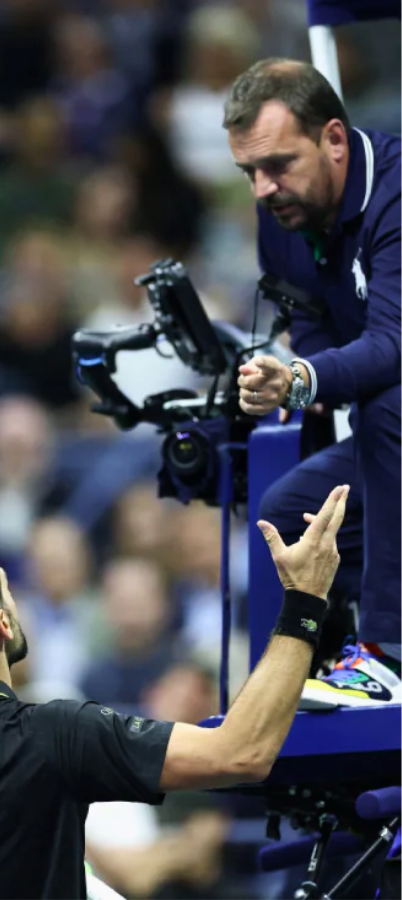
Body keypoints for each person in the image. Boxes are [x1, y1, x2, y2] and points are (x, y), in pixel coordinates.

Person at [0, 485, 348, 900]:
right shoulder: (57, 732)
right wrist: (305, 600)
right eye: (7, 591)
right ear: (2, 623)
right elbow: (244, 751)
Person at [227, 59, 400, 709]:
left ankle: (389, 656)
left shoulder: (397, 191)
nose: (263, 190)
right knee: (287, 512)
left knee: (390, 403)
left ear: (333, 139)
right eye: (249, 172)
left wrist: (299, 379)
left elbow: (394, 345)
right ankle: (329, 674)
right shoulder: (284, 217)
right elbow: (308, 316)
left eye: (277, 165)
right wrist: (304, 374)